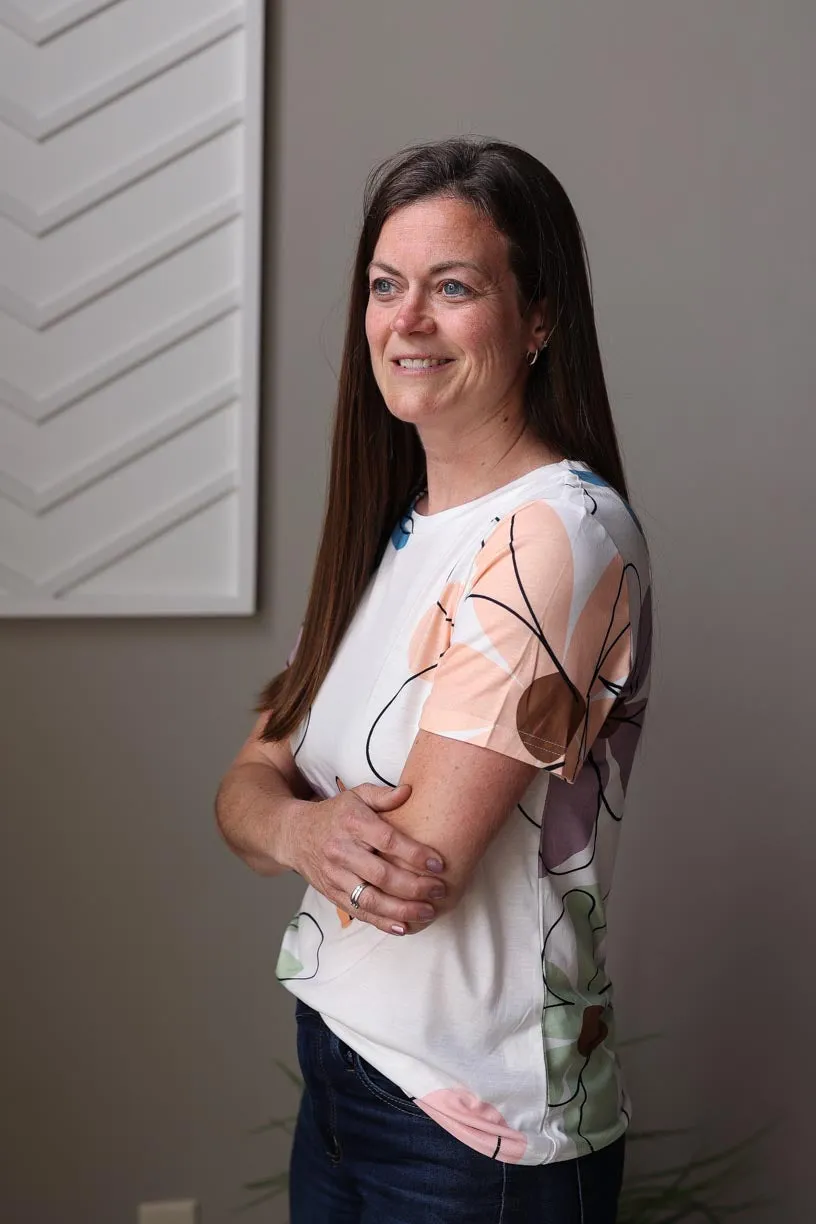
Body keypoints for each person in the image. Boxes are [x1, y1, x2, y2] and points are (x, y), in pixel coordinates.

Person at [215, 136, 652, 1223]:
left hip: (474, 1128)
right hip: (345, 1060)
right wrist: (303, 832)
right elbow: (243, 787)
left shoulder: (557, 534)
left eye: (452, 288)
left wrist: (295, 827)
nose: (405, 320)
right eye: (384, 286)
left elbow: (414, 873)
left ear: (539, 317)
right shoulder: (389, 531)